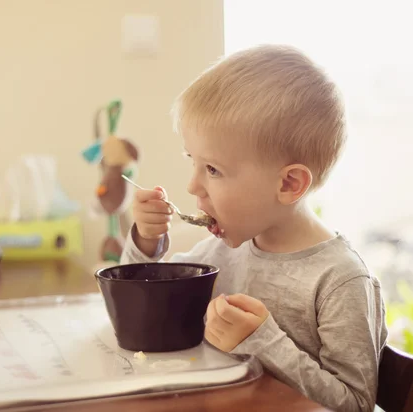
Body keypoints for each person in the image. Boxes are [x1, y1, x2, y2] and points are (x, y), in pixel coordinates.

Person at [120, 44, 388, 412]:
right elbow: (143, 303)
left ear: (289, 185)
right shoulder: (225, 249)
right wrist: (147, 243)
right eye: (192, 161)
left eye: (212, 169)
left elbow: (355, 405)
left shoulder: (339, 280)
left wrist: (262, 340)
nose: (192, 186)